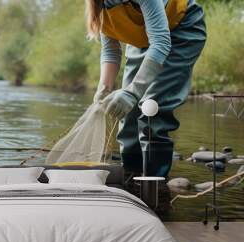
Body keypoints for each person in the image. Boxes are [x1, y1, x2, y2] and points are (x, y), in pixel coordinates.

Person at [86, 0, 206, 177]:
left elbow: (161, 43)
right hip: (141, 38)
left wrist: (132, 92)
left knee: (152, 110)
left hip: (181, 29)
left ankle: (155, 186)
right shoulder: (97, 3)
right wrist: (104, 88)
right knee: (128, 115)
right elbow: (111, 50)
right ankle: (130, 177)